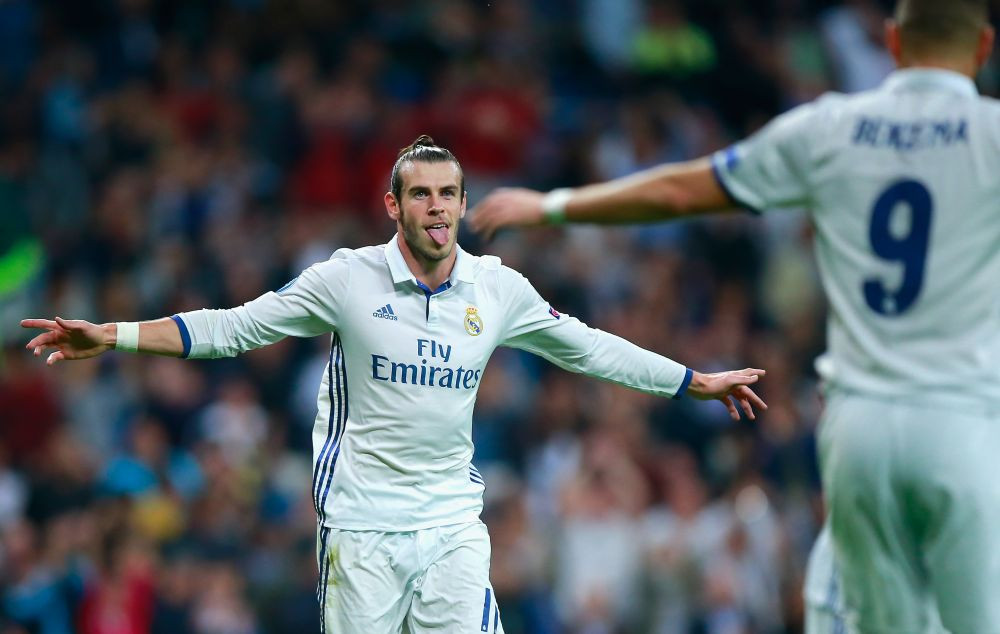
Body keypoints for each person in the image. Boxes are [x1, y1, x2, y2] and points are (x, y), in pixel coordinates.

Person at [22, 136, 767, 634]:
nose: (436, 207)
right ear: (393, 205)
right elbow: (234, 328)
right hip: (361, 526)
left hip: (451, 524)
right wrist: (111, 335)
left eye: (449, 194)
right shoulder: (346, 280)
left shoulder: (496, 289)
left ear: (464, 204)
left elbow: (588, 348)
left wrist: (691, 380)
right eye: (421, 194)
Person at [471, 1, 999, 632]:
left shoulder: (829, 127)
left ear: (891, 42)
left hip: (861, 430)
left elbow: (678, 190)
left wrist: (555, 205)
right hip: (964, 420)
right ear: (984, 48)